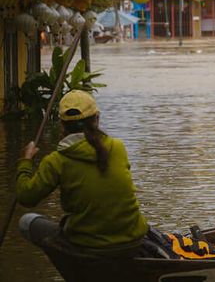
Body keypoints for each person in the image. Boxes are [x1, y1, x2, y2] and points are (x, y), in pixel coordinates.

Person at [16, 90, 149, 256]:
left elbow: (26, 196)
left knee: (26, 222)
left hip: (88, 244)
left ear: (62, 124)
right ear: (97, 119)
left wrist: (25, 162)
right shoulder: (118, 147)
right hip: (133, 239)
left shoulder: (56, 160)